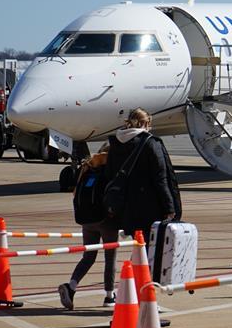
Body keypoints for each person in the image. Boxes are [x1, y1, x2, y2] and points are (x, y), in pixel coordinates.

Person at [104, 108, 181, 241]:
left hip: (125, 207)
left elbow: (109, 174)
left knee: (138, 245)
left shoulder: (115, 144)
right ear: (145, 123)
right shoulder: (151, 143)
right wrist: (170, 207)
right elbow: (160, 179)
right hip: (150, 207)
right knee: (151, 248)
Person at [59, 146, 119, 310]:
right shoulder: (110, 170)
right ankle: (109, 295)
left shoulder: (87, 168)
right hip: (105, 220)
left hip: (86, 218)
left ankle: (71, 286)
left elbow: (75, 193)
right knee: (110, 257)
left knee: (88, 257)